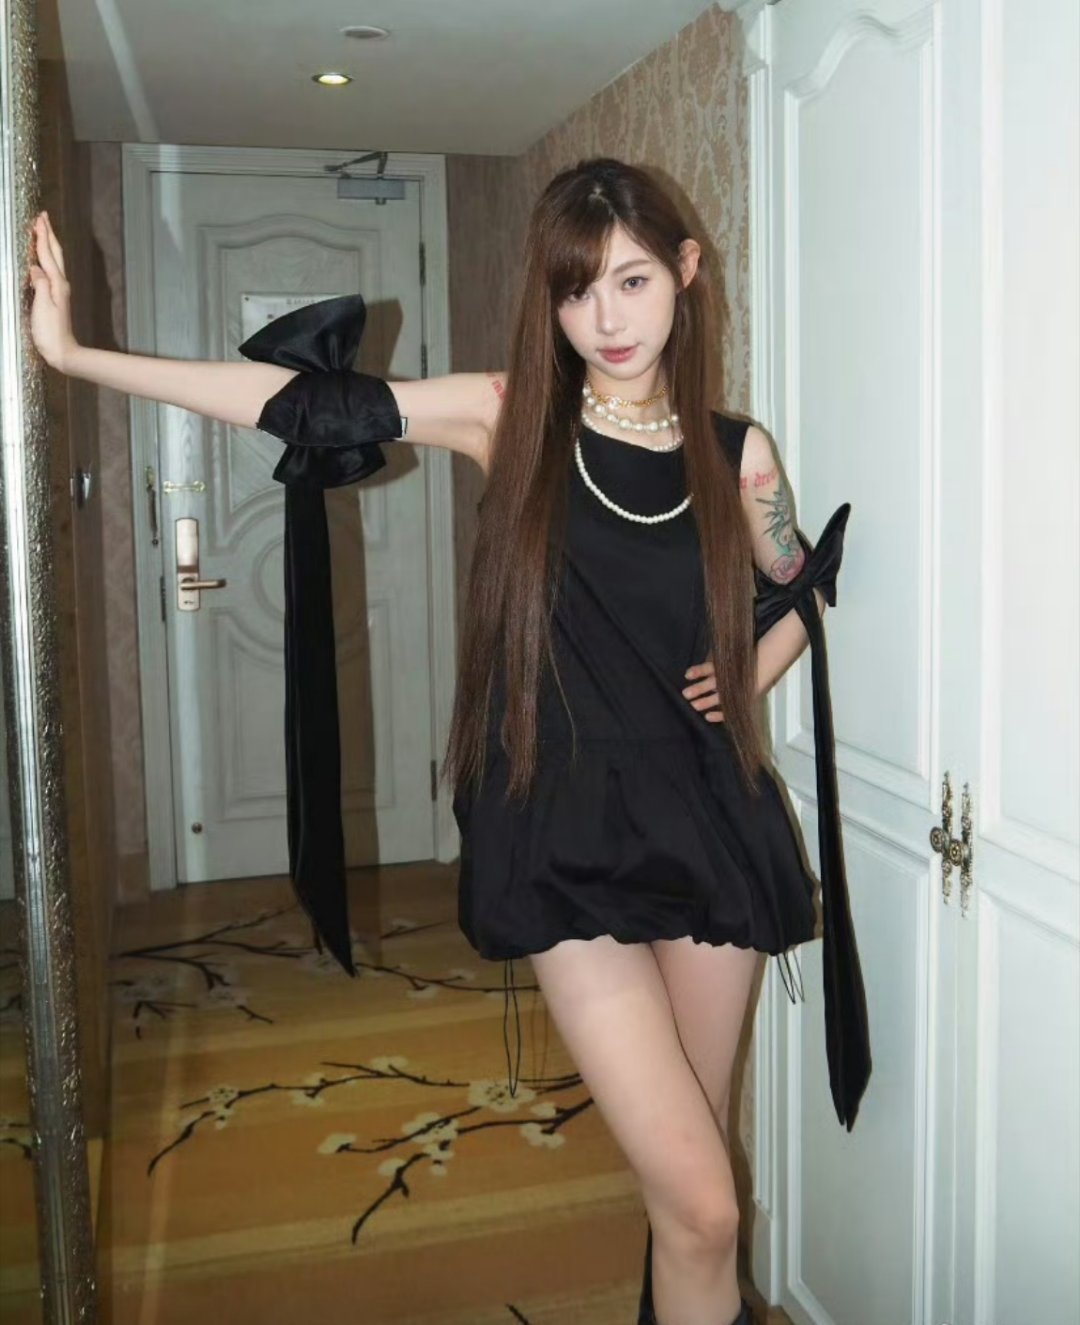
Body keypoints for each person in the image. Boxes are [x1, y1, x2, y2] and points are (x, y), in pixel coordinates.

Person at [27, 157, 869, 1325]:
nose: (606, 318)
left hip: (709, 817)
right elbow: (304, 404)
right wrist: (82, 357)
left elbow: (803, 579)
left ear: (686, 272)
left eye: (631, 280)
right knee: (709, 1204)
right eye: (576, 289)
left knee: (687, 1181)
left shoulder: (740, 454)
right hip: (567, 828)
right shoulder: (509, 413)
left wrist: (754, 667)